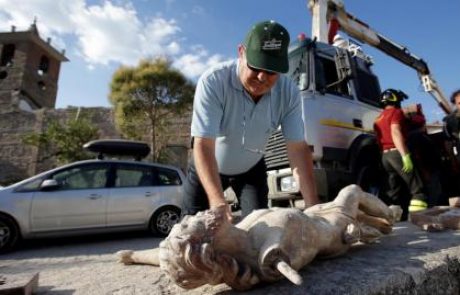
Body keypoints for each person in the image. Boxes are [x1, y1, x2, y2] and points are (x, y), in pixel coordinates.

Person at [183, 20, 319, 221]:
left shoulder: (289, 93)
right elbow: (203, 144)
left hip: (251, 170)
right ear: (241, 52)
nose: (263, 77)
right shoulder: (213, 82)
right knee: (190, 230)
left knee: (258, 230)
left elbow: (298, 149)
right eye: (255, 67)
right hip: (209, 164)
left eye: (272, 71)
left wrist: (313, 207)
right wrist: (218, 202)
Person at [373, 89, 428, 219]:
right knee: (417, 188)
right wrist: (405, 155)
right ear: (396, 100)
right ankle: (418, 218)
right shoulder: (396, 113)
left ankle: (390, 220)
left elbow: (378, 138)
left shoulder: (378, 118)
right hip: (397, 153)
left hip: (385, 157)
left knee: (392, 192)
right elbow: (395, 132)